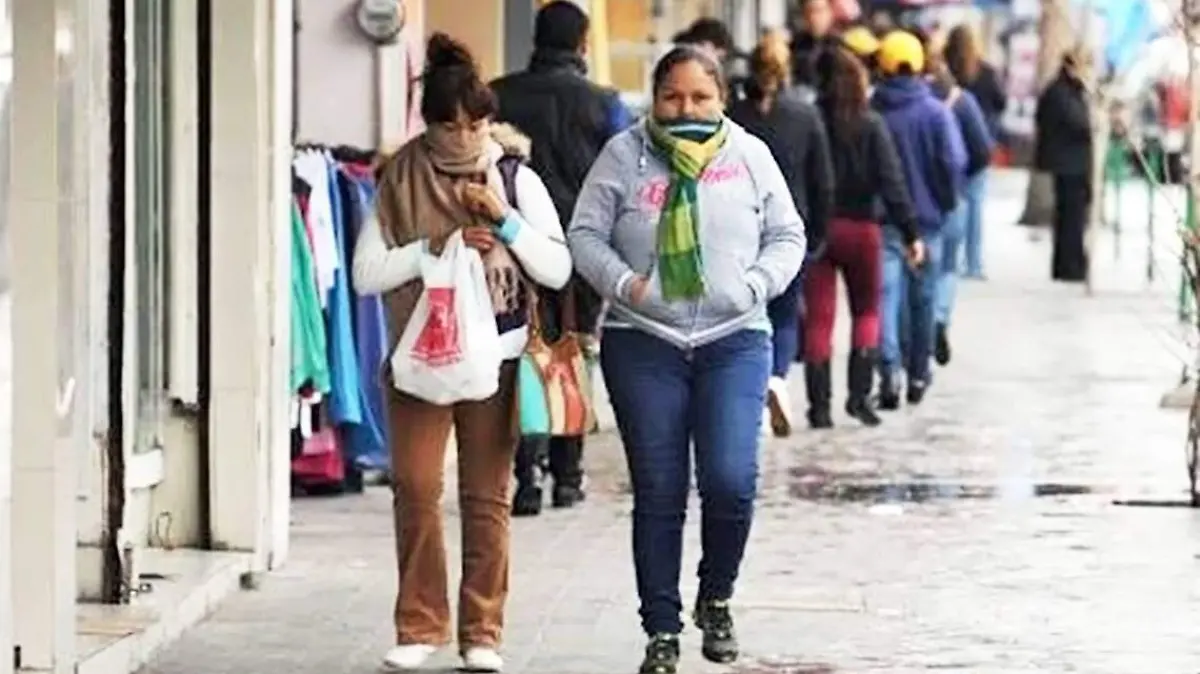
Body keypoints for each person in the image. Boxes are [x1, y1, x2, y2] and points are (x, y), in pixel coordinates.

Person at [567, 46, 806, 674]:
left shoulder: (750, 156)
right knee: (660, 490)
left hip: (735, 339)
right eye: (673, 96)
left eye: (700, 97)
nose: (686, 109)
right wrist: (624, 284)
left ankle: (716, 596)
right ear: (655, 97)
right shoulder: (623, 155)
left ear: (721, 98)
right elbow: (584, 233)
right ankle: (662, 631)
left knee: (730, 481)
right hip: (643, 341)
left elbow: (789, 235)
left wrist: (756, 285)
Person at [352, 33, 573, 673]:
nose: (465, 135)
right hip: (420, 355)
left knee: (487, 496)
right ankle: (419, 623)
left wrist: (503, 224)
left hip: (497, 357)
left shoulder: (511, 174)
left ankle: (483, 632)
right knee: (416, 488)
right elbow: (367, 272)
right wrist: (435, 251)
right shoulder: (399, 178)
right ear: (430, 124)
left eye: (476, 121)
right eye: (451, 124)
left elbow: (556, 268)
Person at [491, 0, 633, 517]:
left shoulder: (499, 95)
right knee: (572, 348)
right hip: (582, 246)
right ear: (581, 43)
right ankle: (568, 474)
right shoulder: (605, 103)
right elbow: (626, 174)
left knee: (521, 348)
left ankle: (524, 475)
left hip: (513, 246)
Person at [802, 46, 923, 429]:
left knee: (820, 319)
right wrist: (910, 232)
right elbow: (892, 182)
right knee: (867, 311)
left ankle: (819, 407)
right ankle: (859, 397)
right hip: (862, 230)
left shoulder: (811, 120)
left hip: (821, 231)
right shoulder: (871, 125)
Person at [729, 35, 834, 436]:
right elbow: (822, 181)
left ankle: (748, 392)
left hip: (740, 230)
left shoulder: (733, 117)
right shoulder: (805, 116)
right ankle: (776, 378)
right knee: (787, 313)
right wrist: (820, 233)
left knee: (745, 313)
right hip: (790, 229)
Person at [871, 30, 965, 408]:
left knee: (886, 296)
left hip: (883, 221)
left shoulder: (873, 111)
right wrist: (943, 203)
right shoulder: (936, 113)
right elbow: (952, 164)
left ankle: (889, 370)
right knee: (923, 298)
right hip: (928, 221)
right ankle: (919, 372)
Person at [926, 55, 993, 366]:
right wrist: (964, 181)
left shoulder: (910, 104)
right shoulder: (962, 102)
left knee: (920, 270)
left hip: (919, 201)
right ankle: (940, 317)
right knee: (949, 267)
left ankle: (920, 326)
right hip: (955, 197)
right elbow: (982, 149)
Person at [944, 24, 1006, 279]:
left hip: (951, 142)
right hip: (980, 144)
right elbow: (1001, 102)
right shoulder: (986, 71)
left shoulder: (947, 70)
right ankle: (974, 263)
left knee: (954, 203)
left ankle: (952, 259)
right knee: (976, 206)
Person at [1034, 47, 1094, 283]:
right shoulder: (1060, 92)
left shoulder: (1068, 91)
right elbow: (1077, 122)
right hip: (1068, 164)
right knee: (1070, 218)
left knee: (1071, 217)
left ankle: (1070, 262)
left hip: (1072, 163)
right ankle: (1069, 265)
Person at [790, 0, 840, 92]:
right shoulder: (794, 46)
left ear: (830, 13)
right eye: (809, 12)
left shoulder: (840, 47)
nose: (813, 18)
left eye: (819, 11)